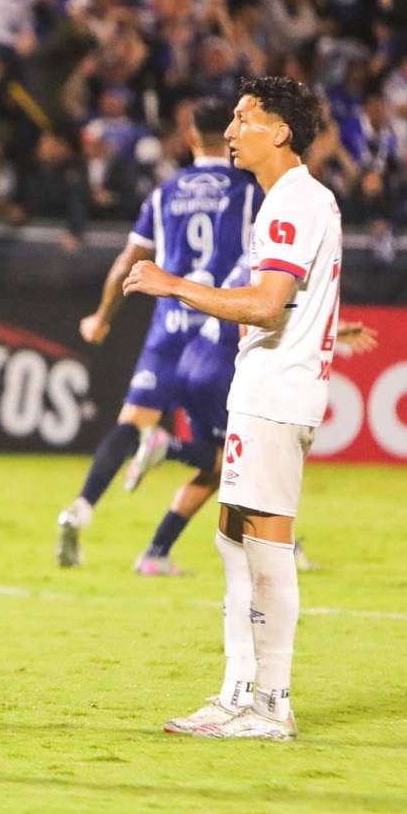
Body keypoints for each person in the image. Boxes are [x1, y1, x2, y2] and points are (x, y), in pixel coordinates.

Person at [123, 75, 340, 741]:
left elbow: (266, 304)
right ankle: (238, 692)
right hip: (266, 388)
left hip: (276, 392)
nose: (231, 130)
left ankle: (270, 705)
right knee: (232, 538)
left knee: (265, 546)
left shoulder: (291, 203)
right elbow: (287, 303)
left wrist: (172, 285)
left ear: (280, 130)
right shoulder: (294, 200)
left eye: (246, 118)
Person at [54, 98, 255, 567]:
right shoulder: (250, 190)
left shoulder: (165, 192)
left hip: (168, 328)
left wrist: (102, 316)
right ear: (228, 137)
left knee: (132, 423)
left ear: (188, 137)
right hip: (218, 330)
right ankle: (272, 539)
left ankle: (79, 511)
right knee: (233, 453)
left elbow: (130, 261)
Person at [126, 254, 378, 575]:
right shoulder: (285, 251)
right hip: (222, 368)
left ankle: (155, 553)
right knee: (253, 461)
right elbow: (264, 312)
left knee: (216, 470)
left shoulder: (253, 251)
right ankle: (170, 448)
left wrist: (335, 333)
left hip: (195, 357)